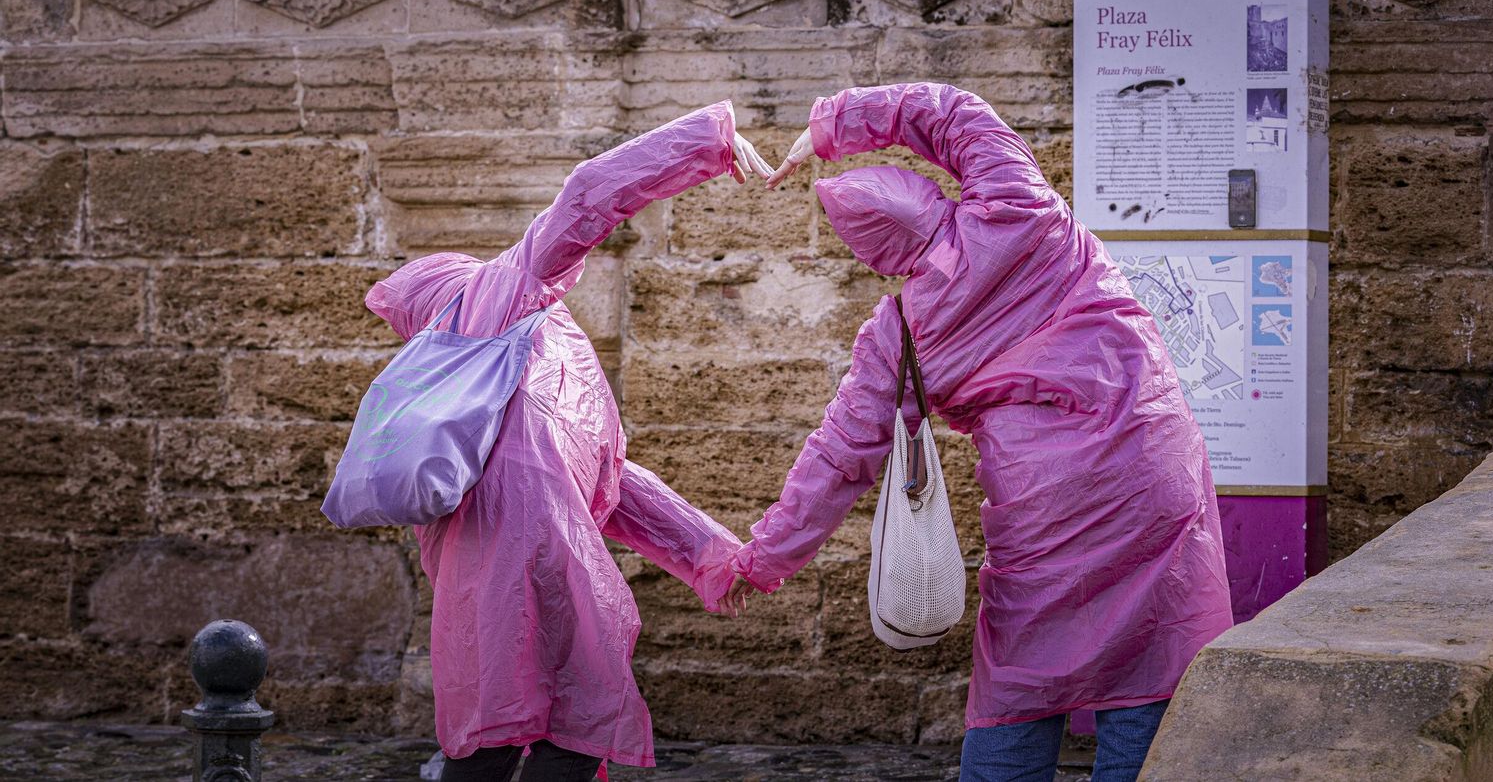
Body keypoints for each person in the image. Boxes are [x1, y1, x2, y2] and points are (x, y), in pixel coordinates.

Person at [720, 82, 1234, 782]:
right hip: (1150, 475)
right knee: (1155, 672)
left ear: (877, 257)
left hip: (1041, 517)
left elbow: (838, 460)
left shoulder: (899, 335)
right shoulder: (1018, 203)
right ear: (929, 194)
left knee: (1020, 683)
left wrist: (762, 561)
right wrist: (828, 127)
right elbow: (951, 111)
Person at [363, 102, 773, 782]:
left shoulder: (511, 336)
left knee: (523, 736)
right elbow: (587, 193)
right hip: (537, 565)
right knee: (559, 732)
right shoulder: (497, 318)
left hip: (510, 571)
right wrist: (706, 141)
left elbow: (606, 478)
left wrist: (709, 553)